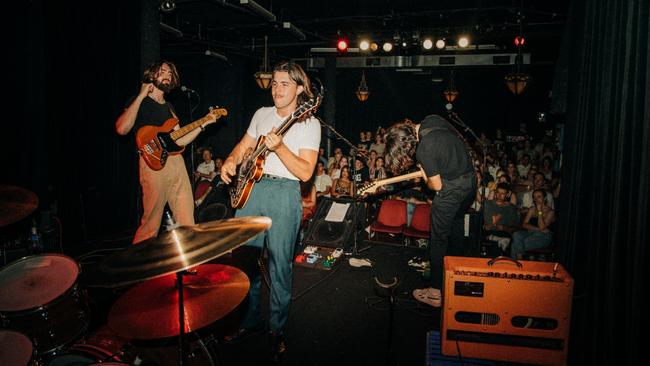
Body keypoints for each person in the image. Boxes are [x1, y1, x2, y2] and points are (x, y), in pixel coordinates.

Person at [220, 61, 320, 361]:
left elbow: (305, 172)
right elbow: (244, 144)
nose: (277, 88)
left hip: (283, 193)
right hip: (252, 190)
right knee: (243, 263)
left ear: (300, 88)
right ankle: (249, 321)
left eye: (285, 84)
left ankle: (277, 330)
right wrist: (230, 160)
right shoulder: (261, 115)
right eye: (274, 82)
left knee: (279, 267)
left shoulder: (307, 123)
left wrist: (280, 148)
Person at [115, 60, 217, 244]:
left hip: (176, 162)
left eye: (170, 73)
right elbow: (122, 129)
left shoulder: (169, 108)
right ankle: (141, 267)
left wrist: (203, 125)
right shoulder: (139, 102)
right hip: (153, 164)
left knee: (187, 218)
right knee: (151, 223)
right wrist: (140, 96)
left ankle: (189, 262)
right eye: (163, 71)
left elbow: (179, 139)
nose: (168, 76)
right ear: (152, 74)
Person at [384, 115, 476, 308]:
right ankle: (457, 278)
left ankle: (435, 293)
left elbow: (435, 185)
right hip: (470, 181)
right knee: (457, 226)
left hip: (451, 190)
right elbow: (453, 141)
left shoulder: (424, 149)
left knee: (438, 240)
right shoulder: (431, 120)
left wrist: (426, 172)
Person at [510, 189, 555, 259]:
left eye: (539, 197)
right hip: (530, 233)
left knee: (514, 245)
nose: (536, 199)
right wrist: (538, 229)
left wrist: (540, 211)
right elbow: (524, 224)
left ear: (545, 198)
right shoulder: (532, 209)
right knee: (516, 234)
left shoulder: (550, 212)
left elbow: (542, 226)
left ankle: (519, 265)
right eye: (534, 197)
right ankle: (520, 264)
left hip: (543, 236)